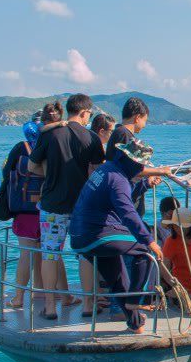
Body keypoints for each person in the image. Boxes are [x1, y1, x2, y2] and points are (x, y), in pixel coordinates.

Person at [69, 139, 168, 334]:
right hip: (98, 234)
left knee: (118, 280)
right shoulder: (118, 180)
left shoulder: (107, 170)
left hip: (79, 237)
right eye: (140, 164)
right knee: (146, 251)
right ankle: (136, 300)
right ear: (129, 160)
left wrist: (145, 185)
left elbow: (122, 198)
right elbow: (128, 213)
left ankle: (135, 324)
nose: (142, 168)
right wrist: (150, 241)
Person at [28, 94, 105, 319]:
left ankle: (51, 306)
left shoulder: (50, 135)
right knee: (85, 255)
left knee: (50, 254)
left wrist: (51, 172)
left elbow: (32, 166)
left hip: (52, 205)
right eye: (89, 114)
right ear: (83, 113)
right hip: (82, 206)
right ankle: (88, 305)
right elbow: (97, 171)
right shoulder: (91, 138)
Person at [0, 119, 44, 307]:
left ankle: (18, 298)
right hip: (47, 210)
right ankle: (41, 291)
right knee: (44, 254)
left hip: (25, 212)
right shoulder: (48, 148)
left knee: (26, 255)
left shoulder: (21, 148)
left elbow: (6, 175)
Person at [106, 97, 164, 217]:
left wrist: (147, 181)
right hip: (125, 199)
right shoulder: (124, 135)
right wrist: (162, 171)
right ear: (137, 117)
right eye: (145, 120)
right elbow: (134, 169)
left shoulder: (118, 132)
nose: (144, 125)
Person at [161, 208, 191, 304]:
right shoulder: (171, 242)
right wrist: (176, 287)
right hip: (182, 289)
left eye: (183, 226)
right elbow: (164, 269)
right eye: (176, 226)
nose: (179, 229)